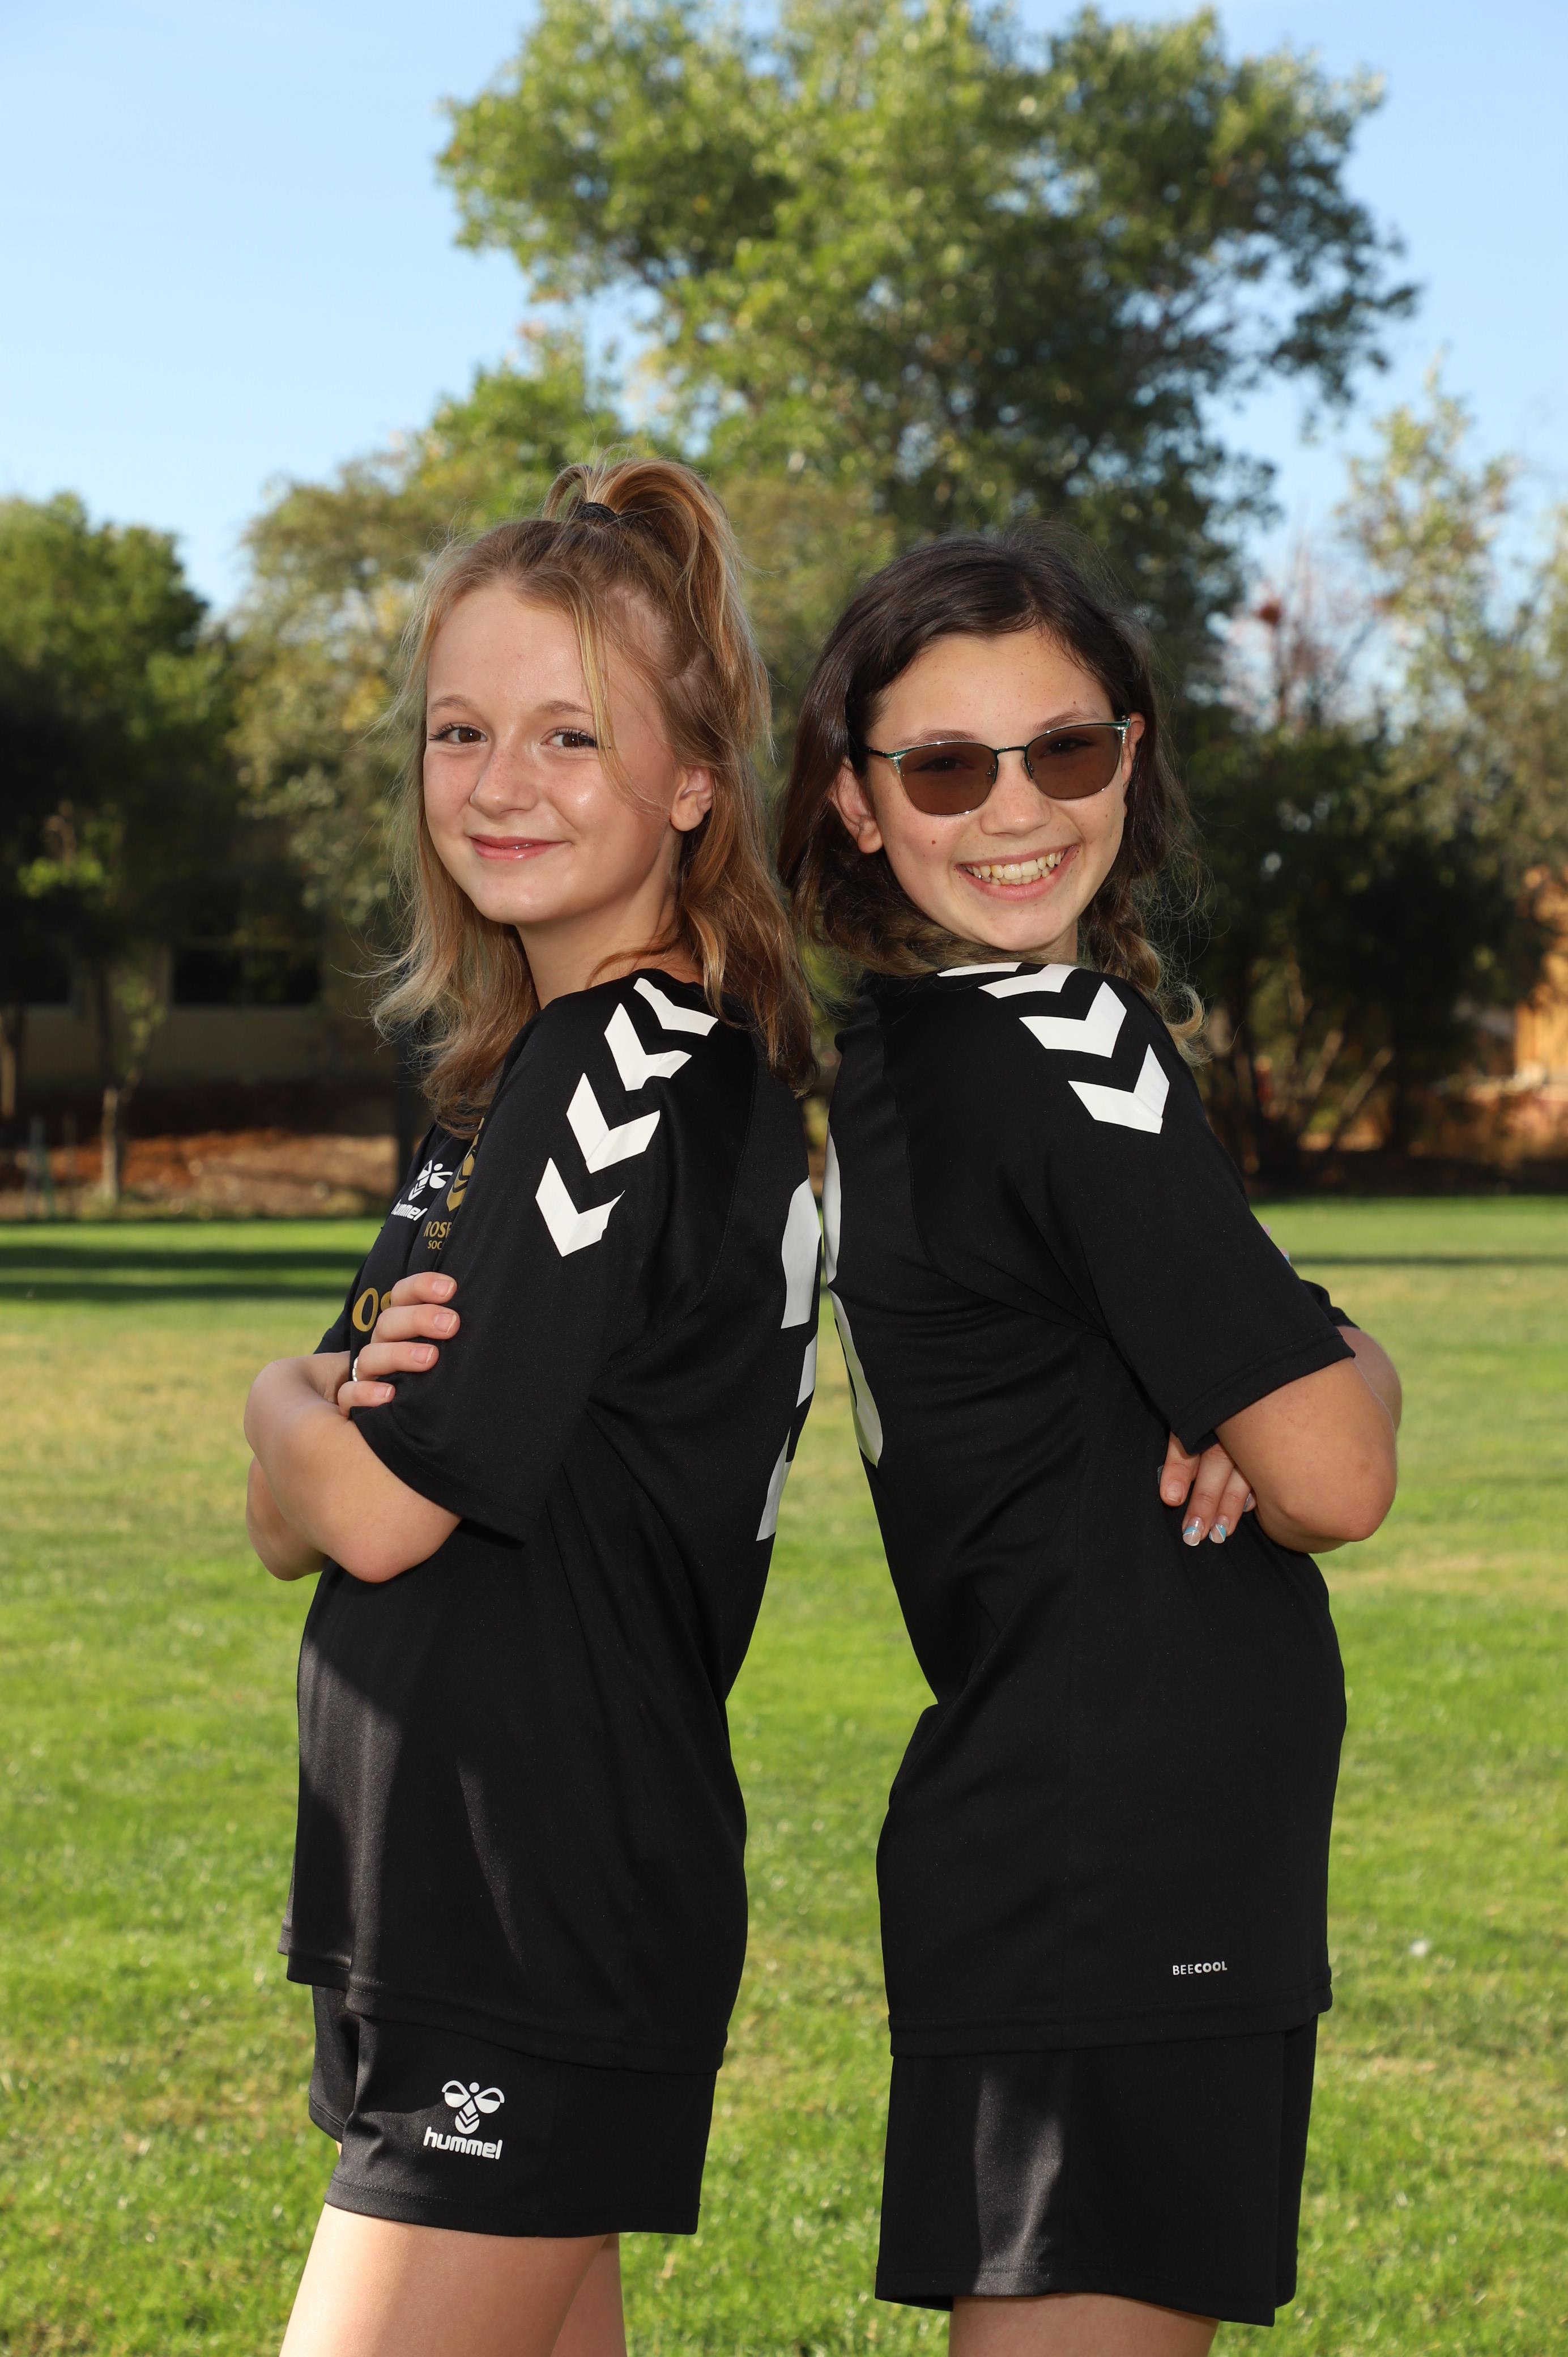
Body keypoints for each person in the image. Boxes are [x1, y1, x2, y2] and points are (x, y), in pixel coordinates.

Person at [777, 533, 1402, 2356]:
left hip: (1062, 1835)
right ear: (856, 800)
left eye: (1062, 749)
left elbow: (1268, 1396)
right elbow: (1334, 1471)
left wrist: (1294, 1380)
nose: (1014, 810)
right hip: (1126, 1852)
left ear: (1129, 755)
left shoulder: (904, 1053)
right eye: (943, 767)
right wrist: (1344, 1369)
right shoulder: (1058, 1036)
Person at [242, 458, 821, 2357]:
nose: (501, 781)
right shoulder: (509, 1086)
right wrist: (305, 1437)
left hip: (532, 1899)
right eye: (459, 729)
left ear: (693, 782)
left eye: (573, 734)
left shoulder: (627, 1065)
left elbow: (371, 1504)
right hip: (450, 1894)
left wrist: (271, 1397)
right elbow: (291, 1524)